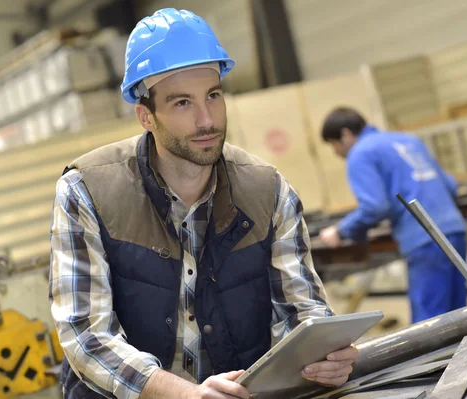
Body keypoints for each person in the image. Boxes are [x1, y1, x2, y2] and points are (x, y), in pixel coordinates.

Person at [49, 9, 357, 399]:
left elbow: (304, 311)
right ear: (146, 115)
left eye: (213, 96)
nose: (207, 119)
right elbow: (85, 334)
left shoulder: (268, 190)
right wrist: (181, 394)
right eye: (182, 103)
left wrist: (325, 354)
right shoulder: (86, 192)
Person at [318, 107, 467, 324]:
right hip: (454, 229)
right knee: (463, 318)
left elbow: (375, 207)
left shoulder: (360, 154)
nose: (336, 152)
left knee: (432, 325)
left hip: (424, 239)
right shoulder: (408, 141)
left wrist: (341, 230)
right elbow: (451, 186)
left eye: (334, 144)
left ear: (346, 134)